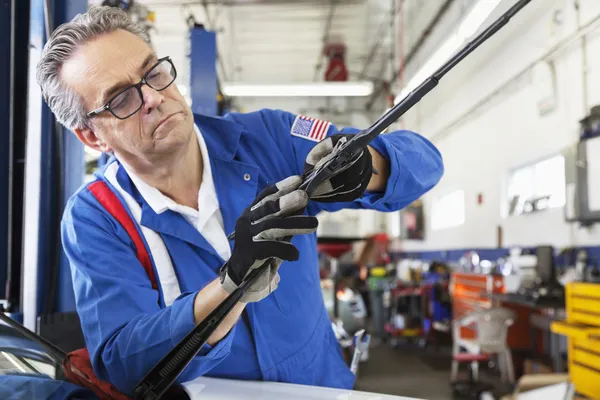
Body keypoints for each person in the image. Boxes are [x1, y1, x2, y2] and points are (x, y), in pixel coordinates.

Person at [36, 5, 444, 396]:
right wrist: (230, 286)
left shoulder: (267, 139)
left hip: (321, 389)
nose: (154, 98)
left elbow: (425, 162)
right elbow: (124, 364)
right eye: (122, 99)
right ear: (92, 137)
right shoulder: (96, 218)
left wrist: (367, 167)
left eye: (154, 73)